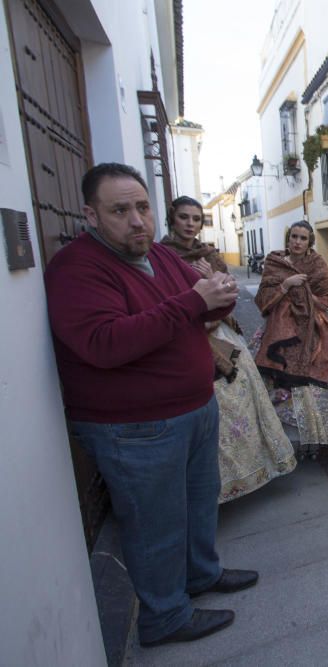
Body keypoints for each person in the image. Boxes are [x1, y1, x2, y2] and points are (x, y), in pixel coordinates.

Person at [44, 163, 256, 648]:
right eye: (120, 210)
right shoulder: (77, 269)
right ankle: (165, 616)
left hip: (194, 407)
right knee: (154, 523)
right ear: (91, 214)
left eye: (142, 207)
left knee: (199, 504)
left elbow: (206, 301)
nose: (137, 220)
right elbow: (103, 343)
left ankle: (201, 575)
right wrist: (194, 301)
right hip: (135, 427)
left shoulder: (159, 256)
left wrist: (218, 296)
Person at [160, 196, 297, 502]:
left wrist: (209, 278)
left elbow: (229, 293)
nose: (190, 224)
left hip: (219, 329)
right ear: (173, 219)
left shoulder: (210, 255)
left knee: (243, 396)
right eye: (184, 217)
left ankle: (252, 472)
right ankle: (214, 486)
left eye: (196, 219)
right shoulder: (162, 257)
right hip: (186, 333)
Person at [253, 221, 328, 454]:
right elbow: (263, 298)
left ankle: (321, 434)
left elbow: (326, 300)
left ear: (309, 242)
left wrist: (304, 294)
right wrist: (286, 286)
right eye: (293, 236)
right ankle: (285, 441)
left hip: (315, 327)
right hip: (280, 327)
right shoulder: (275, 262)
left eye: (302, 238)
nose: (297, 241)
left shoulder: (317, 265)